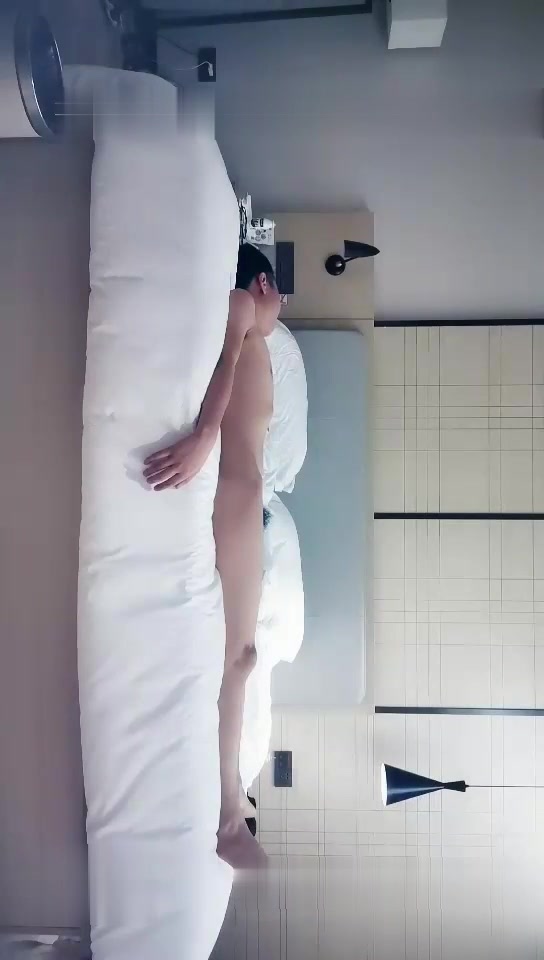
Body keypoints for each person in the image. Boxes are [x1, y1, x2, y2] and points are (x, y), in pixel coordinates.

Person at [143, 243, 281, 868]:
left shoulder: (249, 317)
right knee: (239, 659)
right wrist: (204, 435)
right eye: (278, 295)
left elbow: (232, 361)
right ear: (262, 283)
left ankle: (229, 807)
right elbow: (225, 360)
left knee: (240, 658)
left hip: (240, 500)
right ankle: (228, 812)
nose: (280, 306)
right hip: (234, 496)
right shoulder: (242, 308)